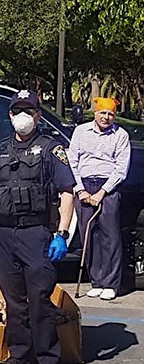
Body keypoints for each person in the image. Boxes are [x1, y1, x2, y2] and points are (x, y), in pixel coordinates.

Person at [0, 90, 75, 364]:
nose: (23, 116)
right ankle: (20, 354)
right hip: (2, 233)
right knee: (14, 300)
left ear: (38, 115)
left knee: (40, 300)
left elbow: (66, 193)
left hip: (35, 233)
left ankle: (49, 362)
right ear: (10, 115)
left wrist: (62, 234)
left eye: (29, 110)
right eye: (18, 110)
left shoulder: (51, 149)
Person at [68, 97, 131, 301]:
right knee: (89, 234)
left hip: (108, 187)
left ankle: (110, 283)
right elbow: (72, 161)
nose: (106, 117)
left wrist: (102, 192)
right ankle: (96, 281)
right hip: (84, 185)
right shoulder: (81, 132)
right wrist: (80, 190)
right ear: (95, 112)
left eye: (111, 114)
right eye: (103, 113)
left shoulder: (121, 135)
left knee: (110, 236)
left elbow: (121, 169)